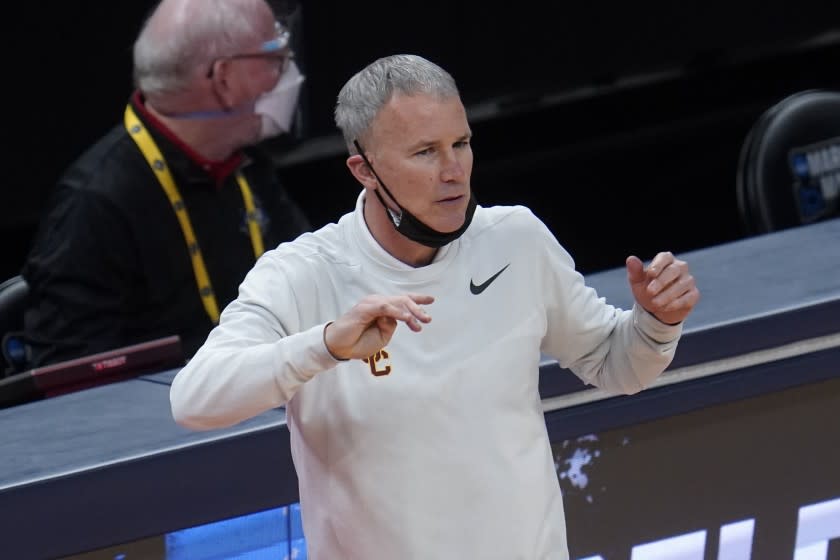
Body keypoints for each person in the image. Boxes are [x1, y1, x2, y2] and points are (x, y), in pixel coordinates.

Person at [170, 54, 701, 559]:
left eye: (461, 143)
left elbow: (615, 362)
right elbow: (195, 400)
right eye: (425, 152)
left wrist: (656, 321)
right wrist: (326, 344)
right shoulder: (302, 275)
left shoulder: (516, 239)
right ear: (364, 169)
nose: (454, 171)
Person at [20, 0, 311, 367]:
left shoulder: (246, 164)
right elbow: (72, 384)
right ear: (224, 79)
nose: (289, 71)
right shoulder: (95, 205)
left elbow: (312, 281)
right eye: (275, 57)